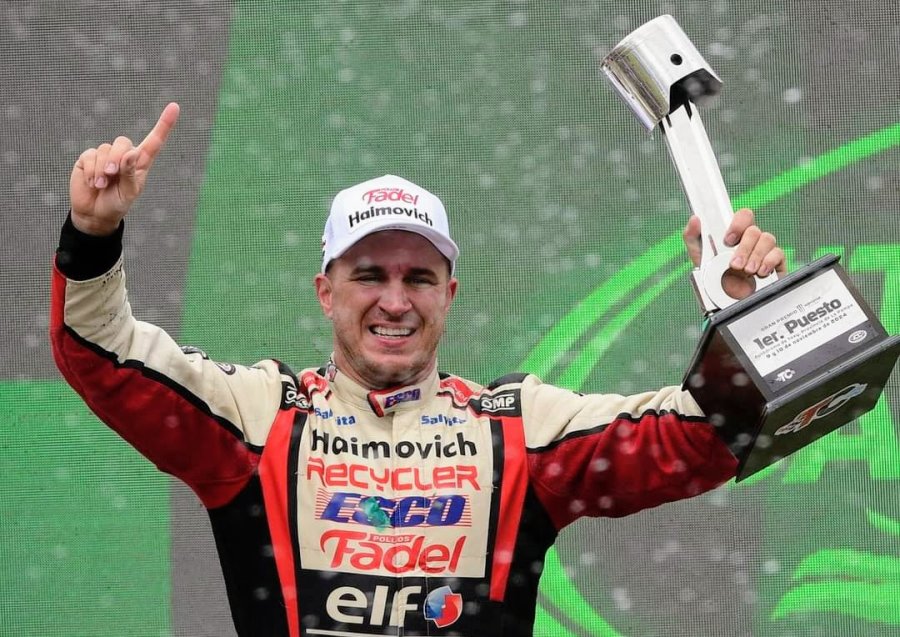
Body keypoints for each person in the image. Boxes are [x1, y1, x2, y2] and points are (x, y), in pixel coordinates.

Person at [51, 103, 786, 637]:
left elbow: (702, 438)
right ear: (325, 291)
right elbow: (101, 353)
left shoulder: (516, 427)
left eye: (420, 277)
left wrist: (739, 313)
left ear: (451, 294)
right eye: (370, 274)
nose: (395, 301)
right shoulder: (258, 414)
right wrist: (93, 231)